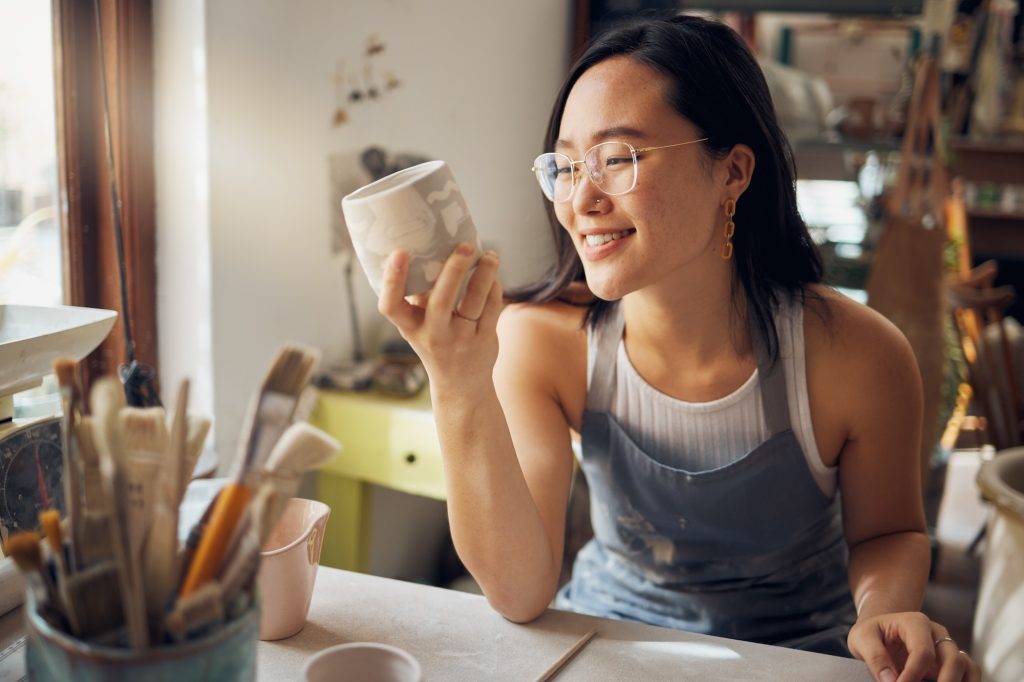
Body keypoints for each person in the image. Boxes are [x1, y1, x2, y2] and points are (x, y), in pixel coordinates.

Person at [377, 14, 979, 682]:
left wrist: (883, 612)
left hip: (799, 657)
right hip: (610, 650)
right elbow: (520, 590)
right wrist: (458, 384)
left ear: (733, 171)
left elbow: (889, 534)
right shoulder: (543, 340)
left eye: (617, 158)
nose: (580, 199)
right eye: (566, 165)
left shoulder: (857, 354)